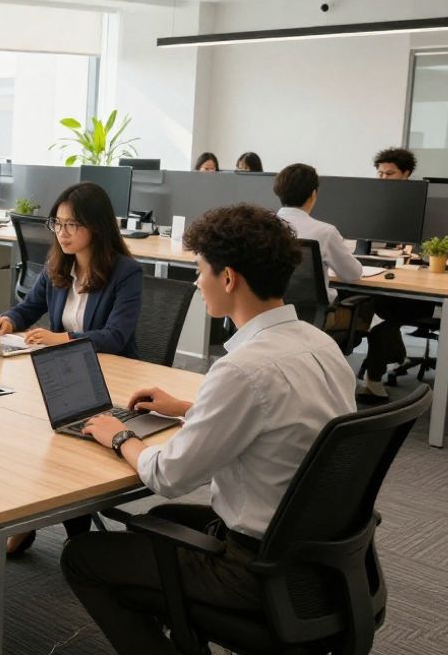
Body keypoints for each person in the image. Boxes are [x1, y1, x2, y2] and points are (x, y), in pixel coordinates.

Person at [61, 204, 356, 655]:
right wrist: (190, 407)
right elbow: (281, 412)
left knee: (82, 557)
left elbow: (167, 476)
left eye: (200, 271)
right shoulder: (321, 345)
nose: (197, 283)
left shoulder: (242, 369)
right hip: (316, 556)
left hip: (254, 570)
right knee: (155, 523)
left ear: (229, 278)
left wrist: (119, 435)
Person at [0, 181, 143, 554]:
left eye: (72, 225)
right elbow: (28, 308)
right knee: (22, 420)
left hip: (112, 374)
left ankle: (72, 536)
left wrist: (64, 339)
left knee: (63, 431)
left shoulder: (126, 272)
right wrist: (8, 320)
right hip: (65, 371)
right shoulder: (59, 265)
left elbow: (116, 336)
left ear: (97, 227)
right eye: (57, 224)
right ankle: (37, 515)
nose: (62, 233)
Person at [362, 146, 430, 402]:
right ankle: (381, 364)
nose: (382, 179)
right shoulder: (376, 203)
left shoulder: (424, 203)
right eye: (379, 174)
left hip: (416, 291)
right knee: (368, 303)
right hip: (383, 274)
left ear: (406, 174)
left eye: (389, 174)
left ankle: (376, 374)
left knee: (378, 310)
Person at [273, 163, 363, 305]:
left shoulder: (261, 228)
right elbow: (353, 274)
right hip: (317, 317)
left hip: (274, 314)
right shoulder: (325, 232)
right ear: (313, 194)